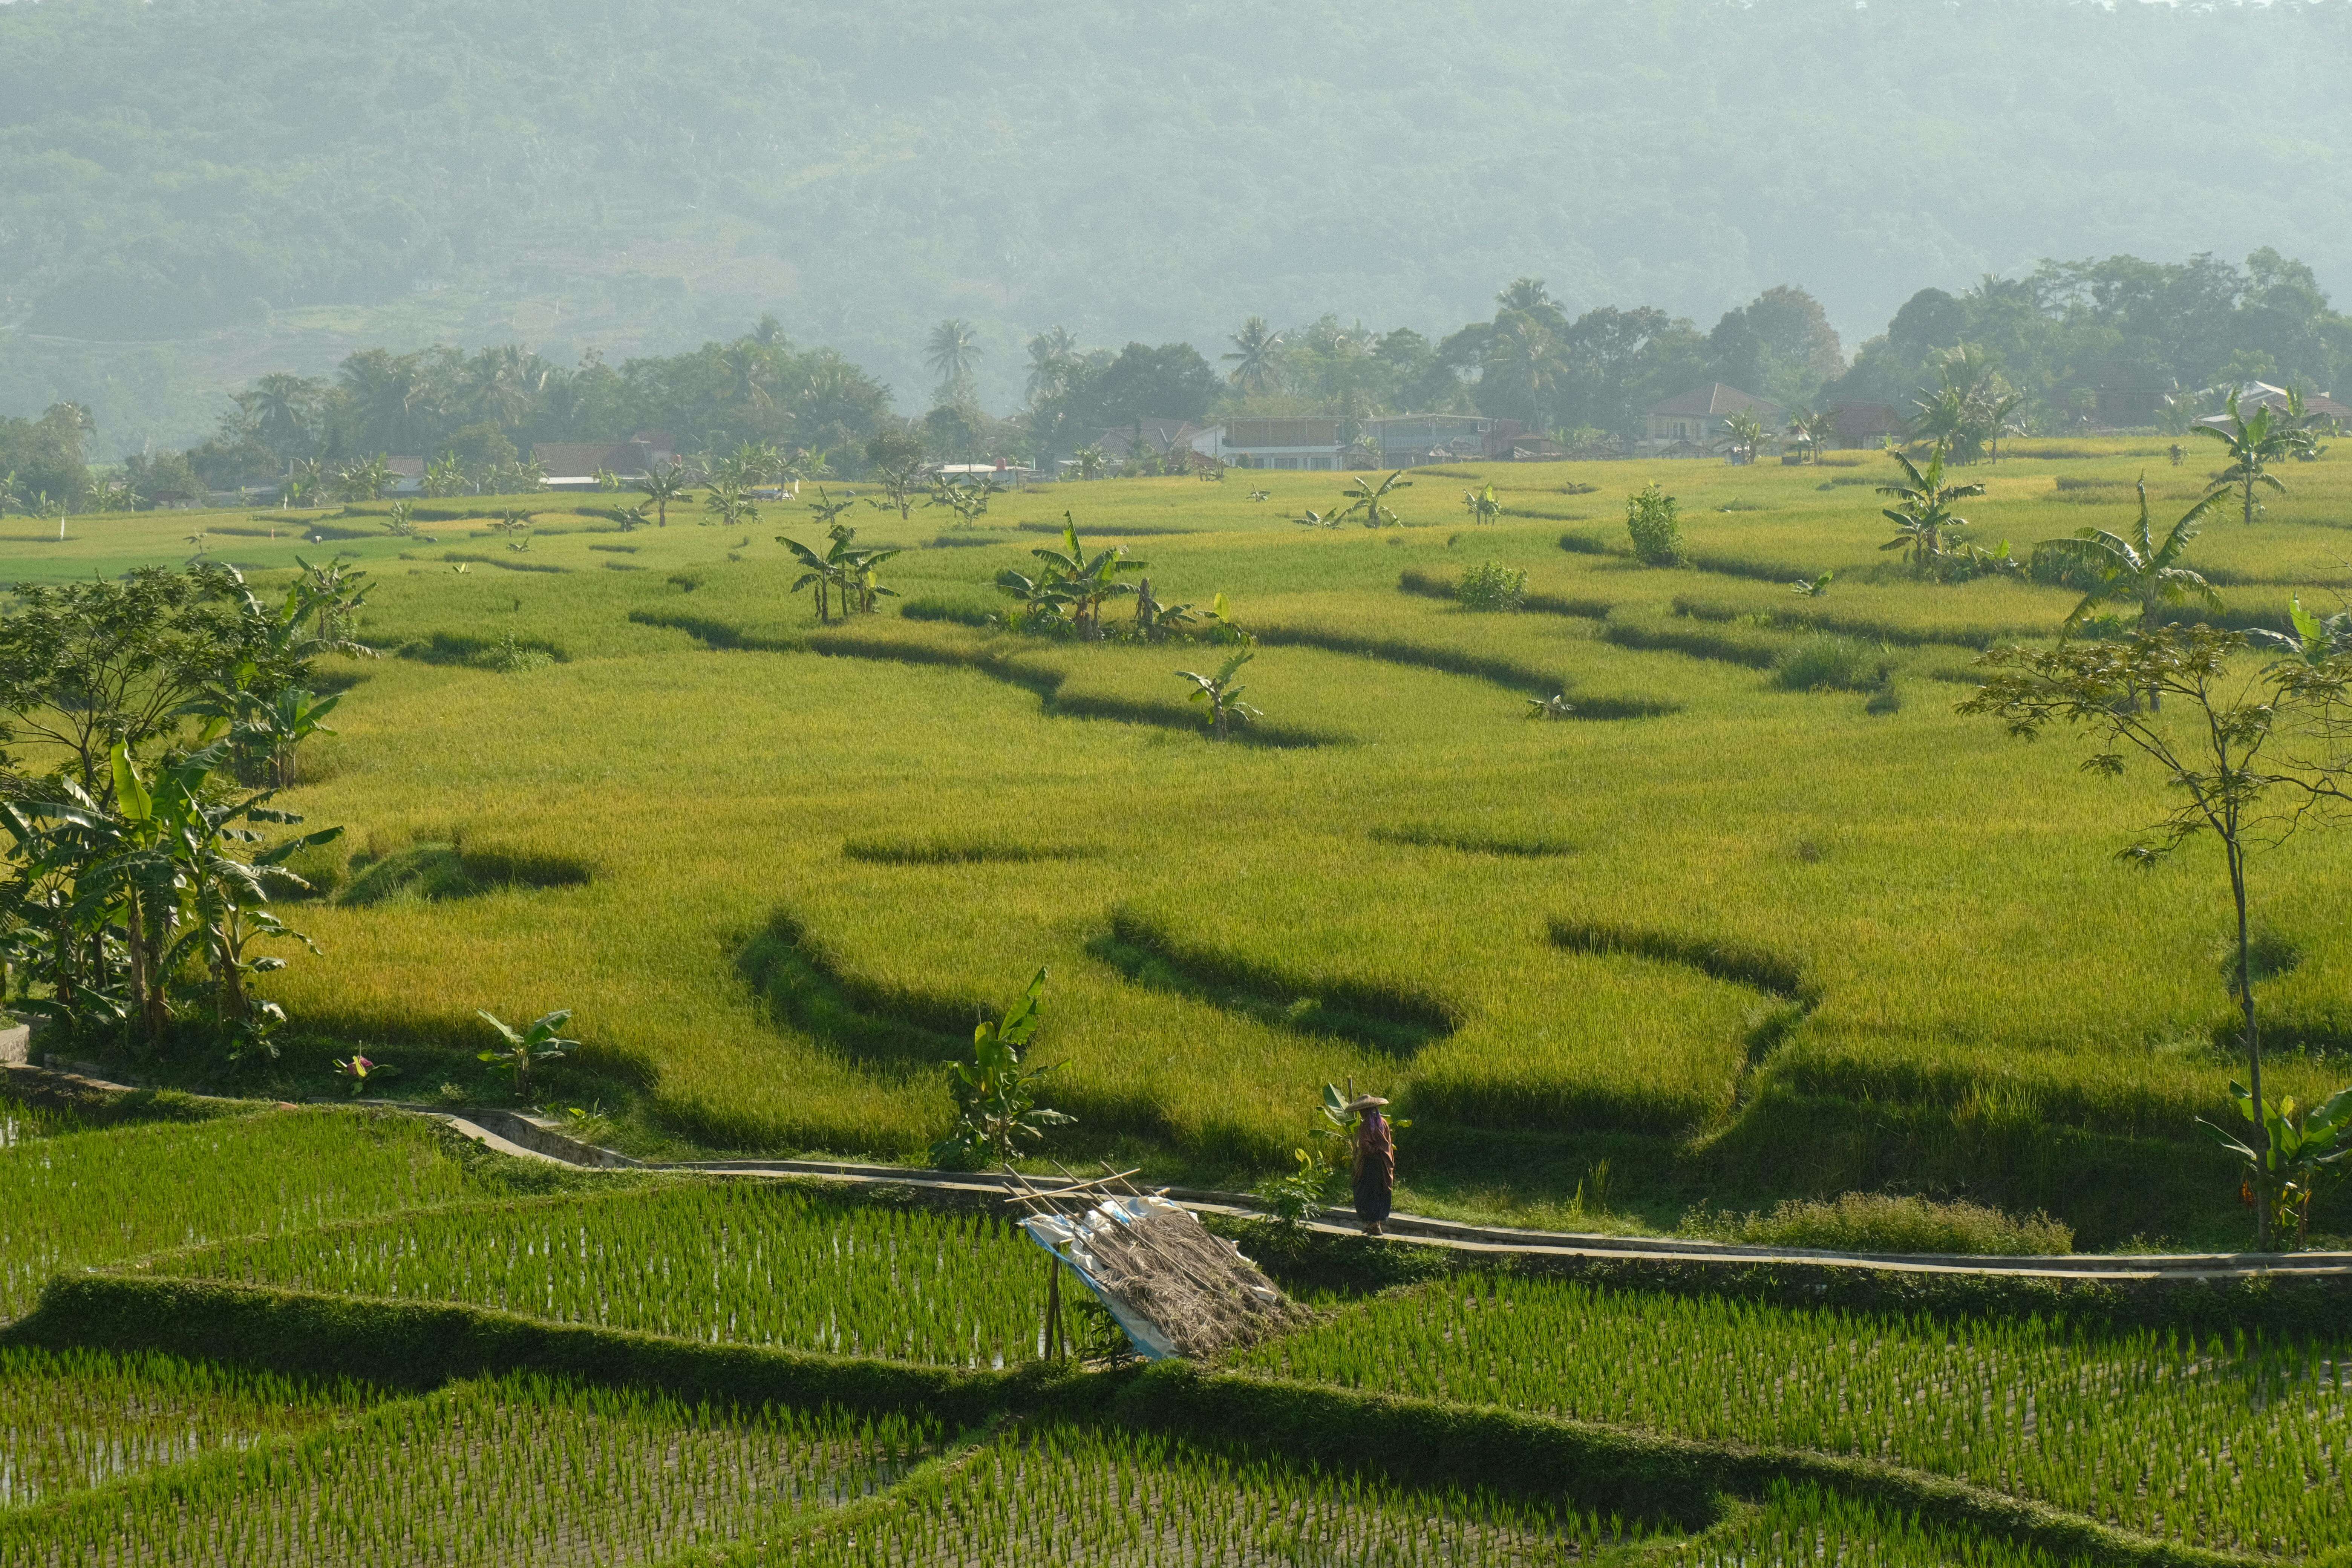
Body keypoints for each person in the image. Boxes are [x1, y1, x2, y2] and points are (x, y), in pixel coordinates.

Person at [1349, 1093, 1394, 1237]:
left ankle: (1372, 1224)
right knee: (1378, 1191)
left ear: (1364, 1111)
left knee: (1365, 1192)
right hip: (1382, 1163)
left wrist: (1373, 1152)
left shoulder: (1365, 1125)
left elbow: (1364, 1144)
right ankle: (1376, 1225)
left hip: (1370, 1163)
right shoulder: (1384, 1123)